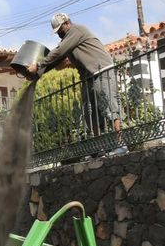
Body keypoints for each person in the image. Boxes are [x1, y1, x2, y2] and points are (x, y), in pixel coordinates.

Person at [27, 12, 126, 155]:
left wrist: (38, 64)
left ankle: (122, 145)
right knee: (90, 114)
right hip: (88, 77)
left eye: (60, 30)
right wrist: (38, 73)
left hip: (102, 71)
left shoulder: (76, 31)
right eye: (57, 32)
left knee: (110, 108)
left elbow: (59, 51)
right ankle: (100, 149)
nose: (59, 34)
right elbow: (57, 59)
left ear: (67, 23)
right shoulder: (67, 40)